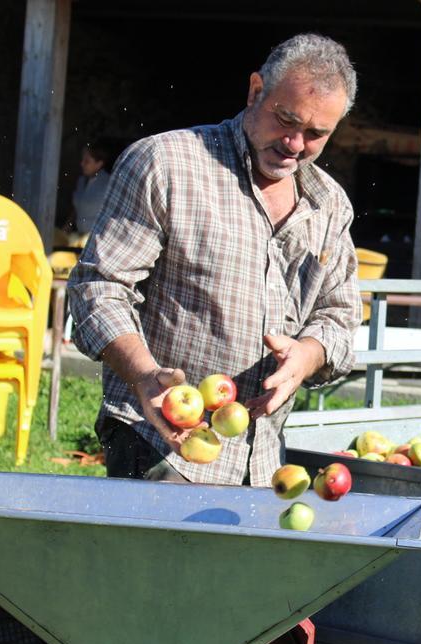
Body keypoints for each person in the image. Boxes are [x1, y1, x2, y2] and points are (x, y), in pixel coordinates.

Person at [68, 33, 362, 487]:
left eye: (316, 134)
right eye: (286, 119)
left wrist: (307, 355)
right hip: (161, 444)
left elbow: (339, 318)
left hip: (264, 463)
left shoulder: (330, 204)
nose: (294, 143)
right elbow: (98, 288)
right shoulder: (166, 164)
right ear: (255, 91)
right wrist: (144, 375)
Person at [69, 141, 112, 239]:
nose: (82, 164)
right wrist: (68, 225)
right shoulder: (81, 181)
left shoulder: (108, 183)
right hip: (79, 236)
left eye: (87, 161)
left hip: (97, 239)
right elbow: (78, 207)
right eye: (82, 160)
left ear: (99, 164)